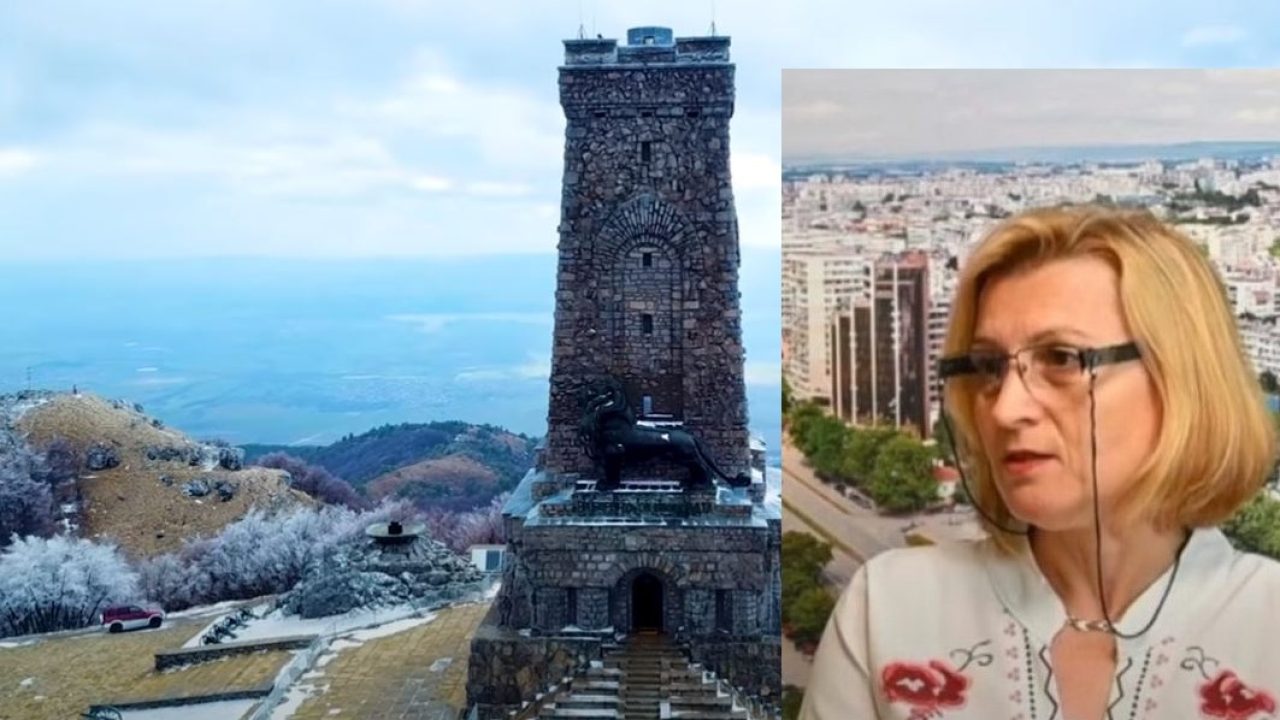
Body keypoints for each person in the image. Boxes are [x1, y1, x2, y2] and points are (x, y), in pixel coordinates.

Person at [800, 205, 1280, 720]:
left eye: (1062, 359)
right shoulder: (888, 609)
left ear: (1181, 378)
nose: (1005, 410)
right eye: (988, 367)